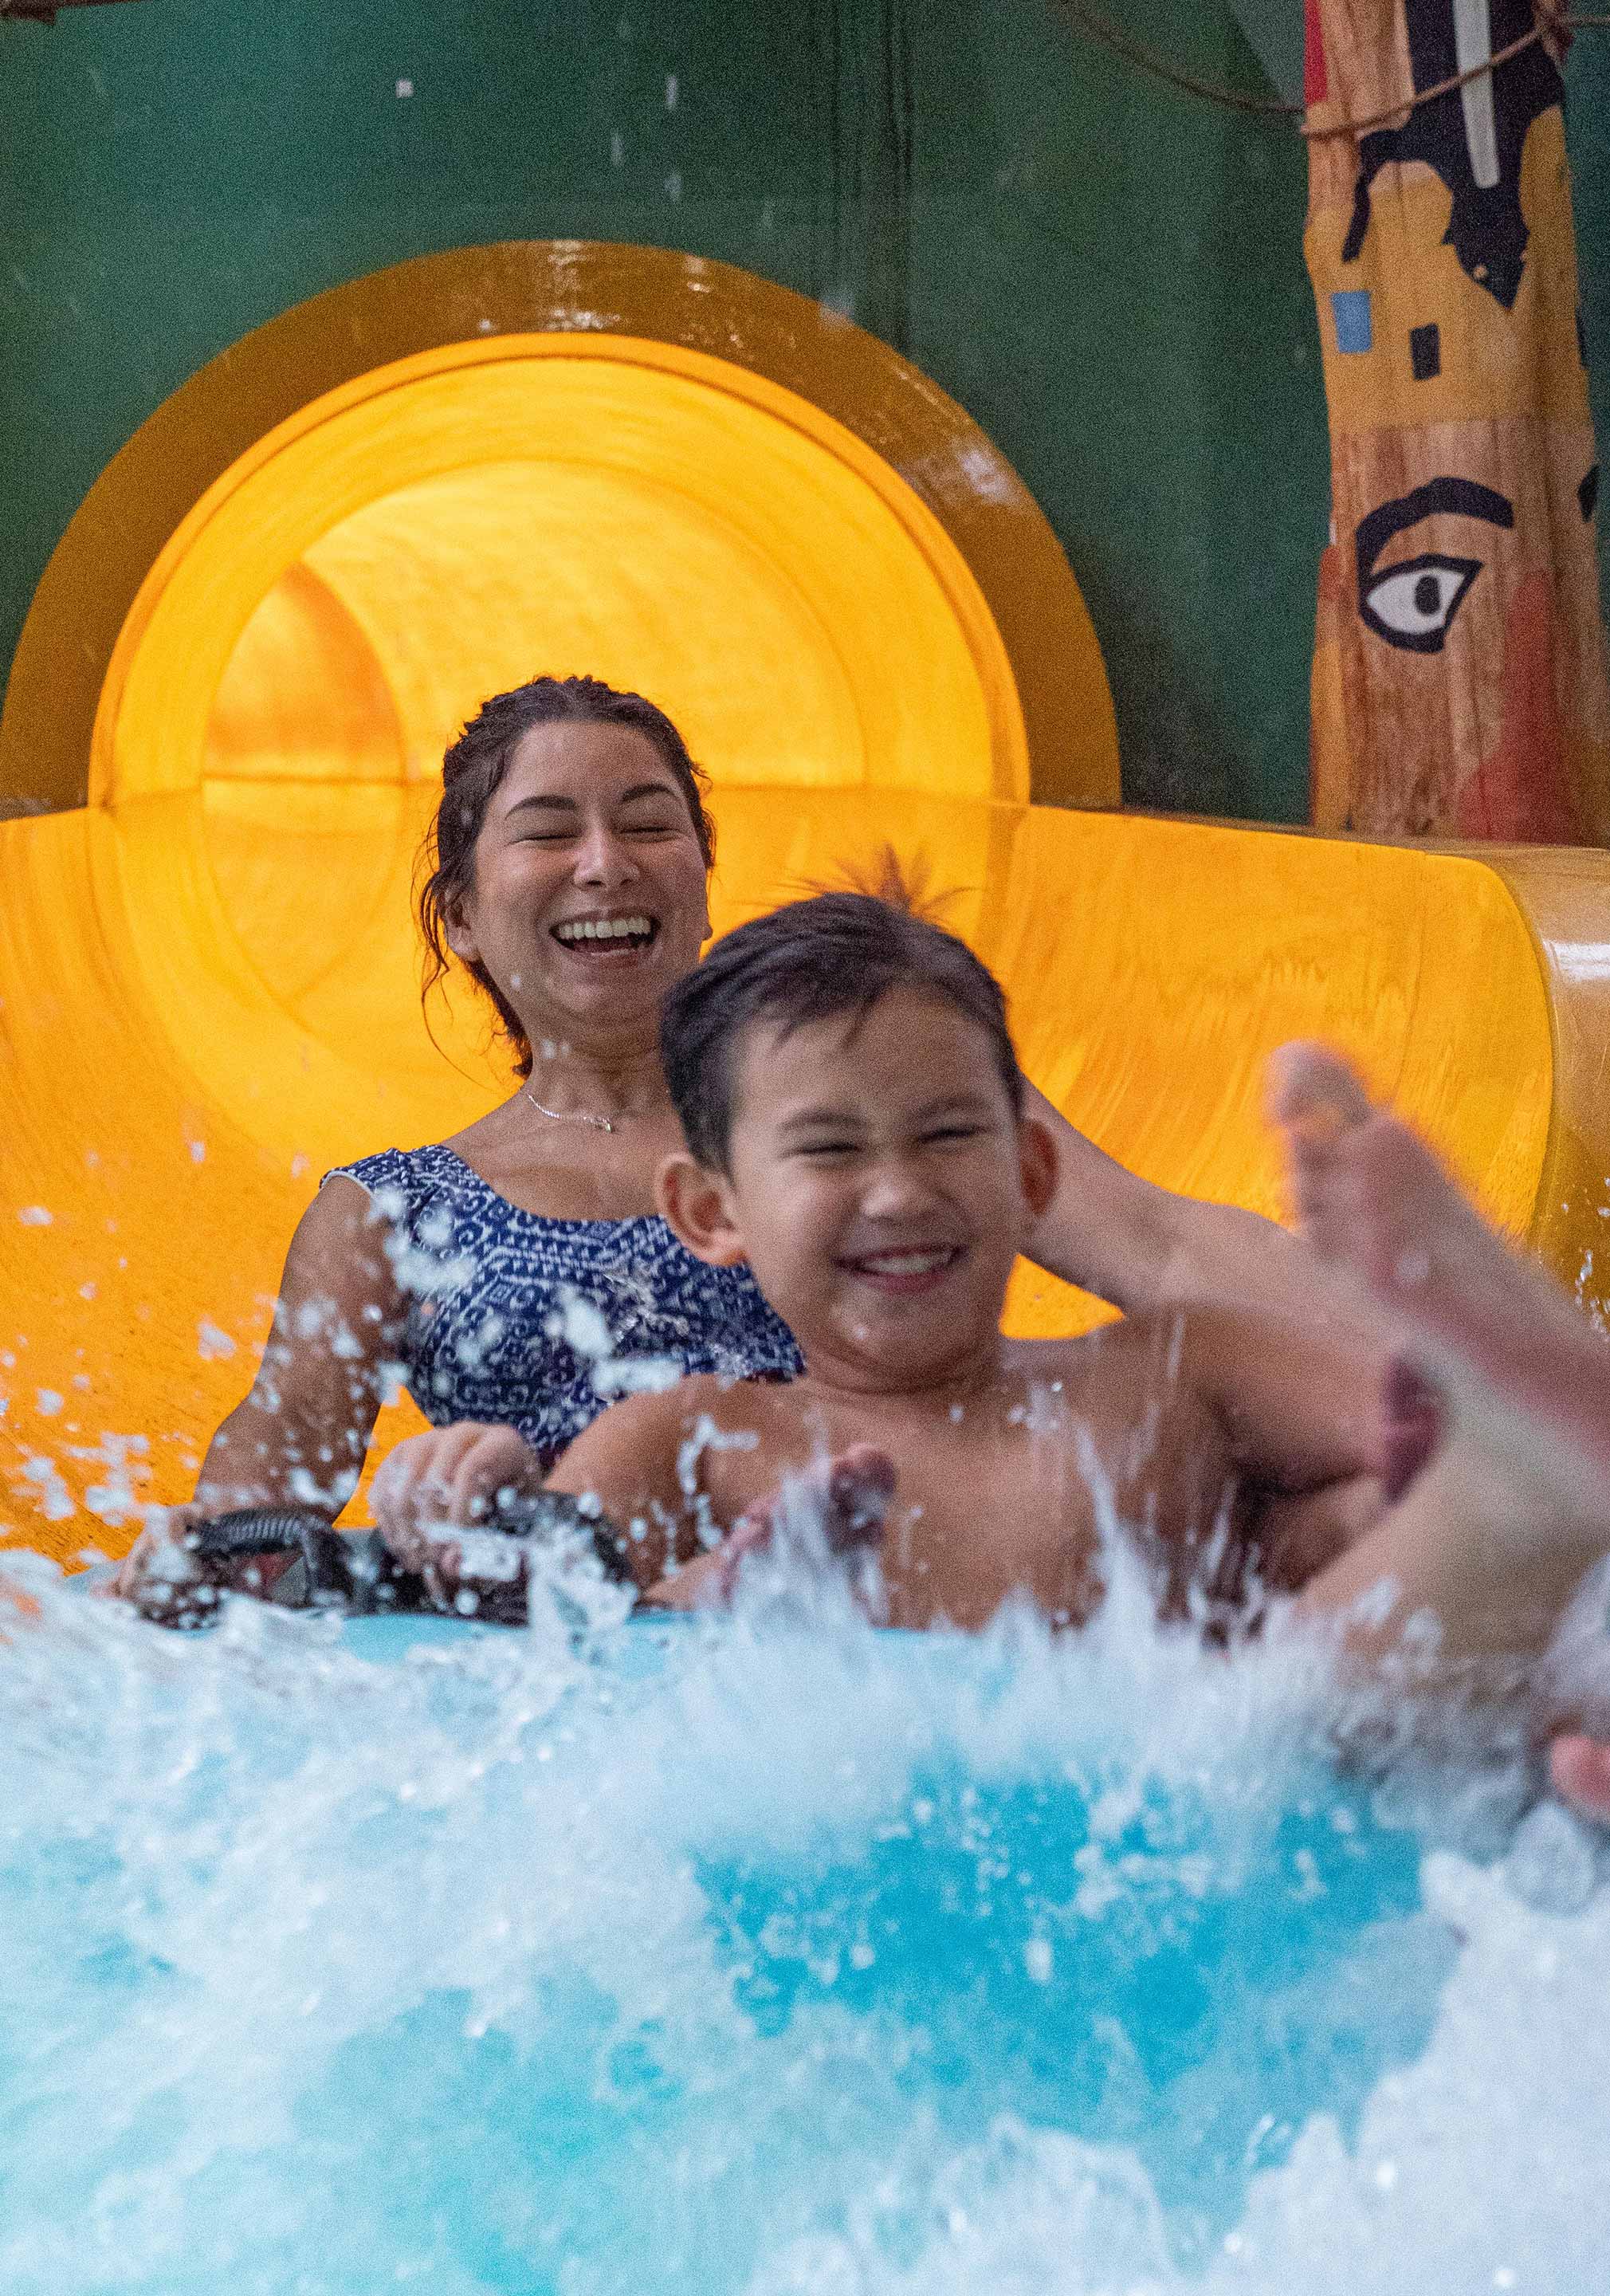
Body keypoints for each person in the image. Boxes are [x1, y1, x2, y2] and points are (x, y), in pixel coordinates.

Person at [110, 675, 1296, 1605]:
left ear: (704, 874)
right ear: (462, 917)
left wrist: (1404, 1334)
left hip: (884, 1608)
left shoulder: (869, 1103)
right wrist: (190, 1569)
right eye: (545, 832)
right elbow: (269, 1498)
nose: (604, 863)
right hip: (587, 1660)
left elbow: (1158, 1241)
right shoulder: (392, 1215)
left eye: (648, 822)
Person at [374, 894, 1610, 1708]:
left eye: (949, 1133)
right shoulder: (694, 1445)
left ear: (1031, 1172)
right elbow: (526, 1698)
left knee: (1375, 1607)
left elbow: (1401, 1459)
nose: (901, 1190)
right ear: (714, 1211)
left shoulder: (1182, 1372)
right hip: (861, 1907)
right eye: (830, 1151)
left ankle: (1519, 1417)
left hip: (1211, 1829)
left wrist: (1347, 1523)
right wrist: (456, 1514)